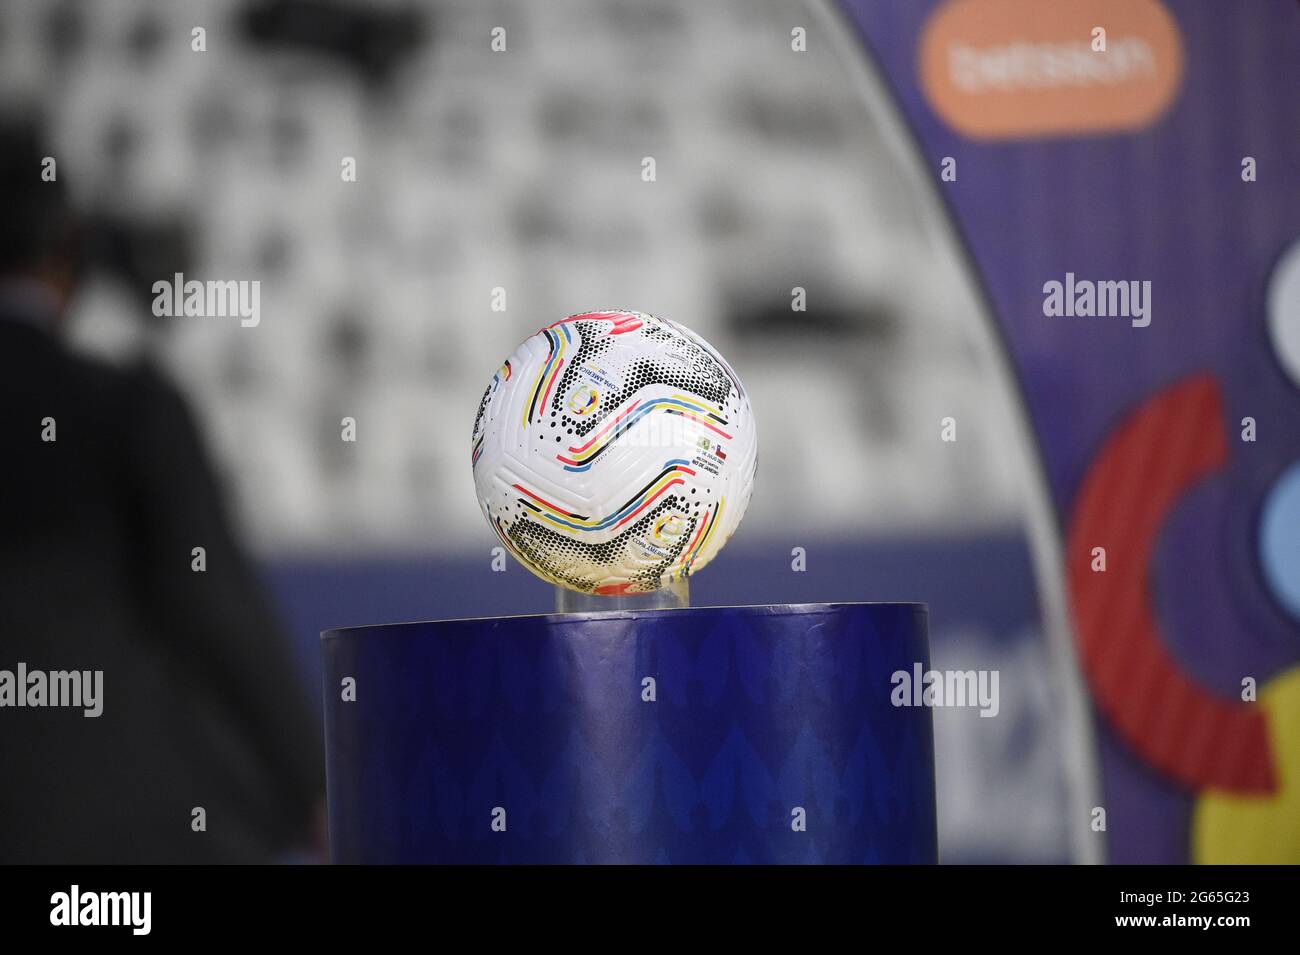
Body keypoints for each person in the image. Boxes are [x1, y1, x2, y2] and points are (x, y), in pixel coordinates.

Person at [0, 116, 324, 863]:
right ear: (62, 251)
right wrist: (317, 787)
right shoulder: (123, 408)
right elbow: (213, 604)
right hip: (106, 834)